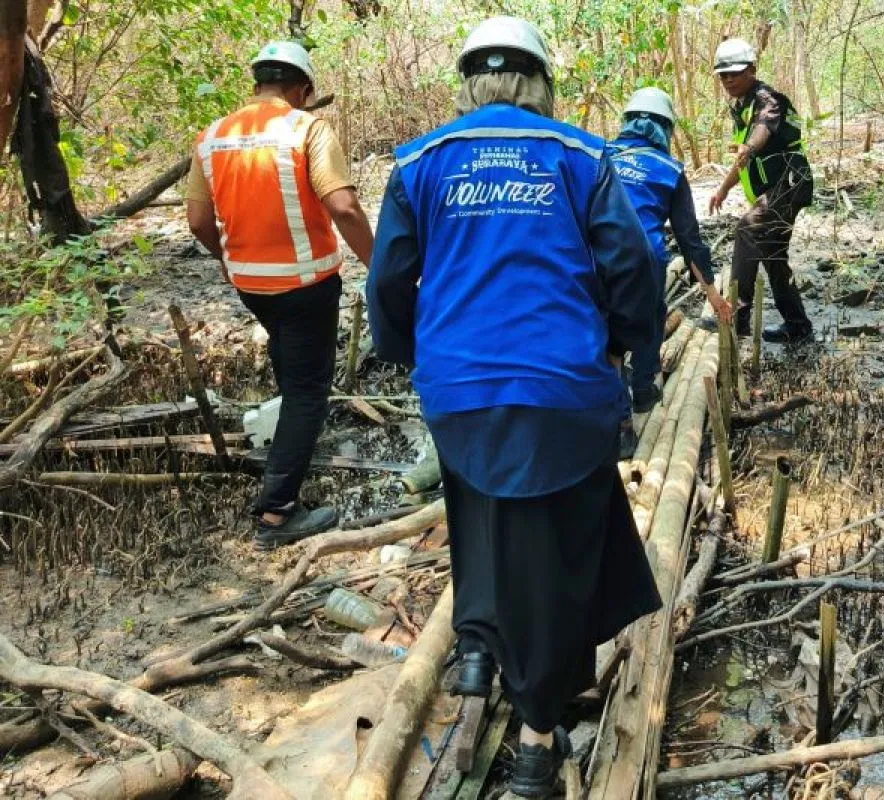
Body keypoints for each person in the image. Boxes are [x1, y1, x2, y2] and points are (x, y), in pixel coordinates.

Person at [366, 17, 662, 798]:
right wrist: (631, 356)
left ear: (470, 85)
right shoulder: (579, 157)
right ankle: (536, 737)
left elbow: (389, 279)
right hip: (562, 386)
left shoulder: (421, 162)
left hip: (459, 389)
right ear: (539, 83)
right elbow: (633, 265)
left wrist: (412, 356)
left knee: (479, 512)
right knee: (563, 553)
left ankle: (476, 649)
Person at [186, 41, 375, 550]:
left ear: (257, 84)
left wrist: (228, 261)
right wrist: (379, 268)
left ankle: (282, 461)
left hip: (252, 287)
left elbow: (198, 221)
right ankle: (276, 514)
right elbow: (346, 209)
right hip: (306, 286)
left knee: (291, 365)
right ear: (303, 90)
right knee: (308, 393)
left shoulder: (213, 136)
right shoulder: (306, 129)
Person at [606, 87, 732, 453]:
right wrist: (712, 293)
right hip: (642, 263)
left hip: (593, 260)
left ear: (627, 122)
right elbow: (689, 240)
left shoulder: (599, 156)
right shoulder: (669, 169)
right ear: (666, 129)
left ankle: (619, 427)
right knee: (650, 320)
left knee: (604, 343)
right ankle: (643, 392)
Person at [708, 37, 815, 344]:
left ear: (752, 70)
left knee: (747, 230)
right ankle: (797, 325)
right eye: (723, 75)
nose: (728, 80)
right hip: (774, 188)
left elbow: (760, 134)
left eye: (735, 73)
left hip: (788, 186)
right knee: (773, 255)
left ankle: (737, 320)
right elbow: (743, 156)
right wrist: (723, 188)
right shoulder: (740, 107)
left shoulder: (768, 99)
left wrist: (749, 147)